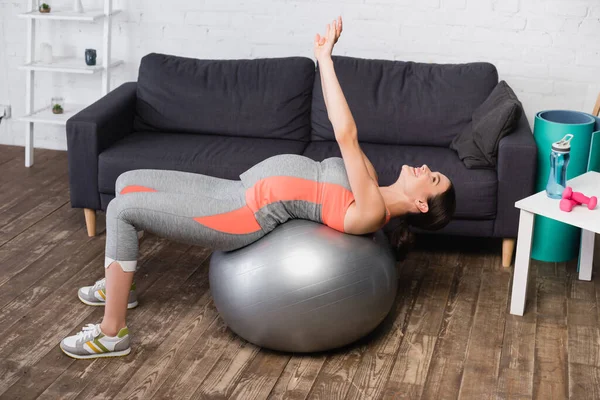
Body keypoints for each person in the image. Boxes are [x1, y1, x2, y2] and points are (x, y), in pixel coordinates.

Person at [60, 16, 456, 359]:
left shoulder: (372, 211)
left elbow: (345, 133)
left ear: (422, 204)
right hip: (236, 189)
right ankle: (119, 289)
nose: (426, 168)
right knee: (126, 183)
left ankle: (113, 334)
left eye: (433, 178)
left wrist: (325, 61)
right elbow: (350, 139)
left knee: (121, 210)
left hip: (240, 216)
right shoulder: (369, 177)